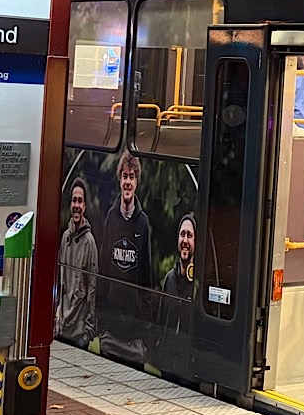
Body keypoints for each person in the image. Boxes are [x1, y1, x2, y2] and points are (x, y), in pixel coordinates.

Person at [98, 149, 153, 363]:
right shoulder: (111, 218)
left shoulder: (143, 222)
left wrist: (144, 320)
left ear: (137, 182)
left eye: (131, 177)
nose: (128, 182)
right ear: (119, 180)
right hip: (110, 329)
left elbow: (146, 275)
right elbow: (103, 269)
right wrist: (101, 317)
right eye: (124, 176)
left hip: (133, 332)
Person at [55, 177, 99, 346]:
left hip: (79, 332)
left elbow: (92, 289)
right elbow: (60, 283)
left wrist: (88, 331)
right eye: (74, 200)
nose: (77, 205)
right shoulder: (65, 237)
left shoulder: (89, 242)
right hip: (61, 327)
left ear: (84, 206)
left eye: (80, 201)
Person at [161, 213, 197, 300]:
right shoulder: (169, 279)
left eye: (189, 235)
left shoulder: (199, 282)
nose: (185, 240)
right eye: (182, 234)